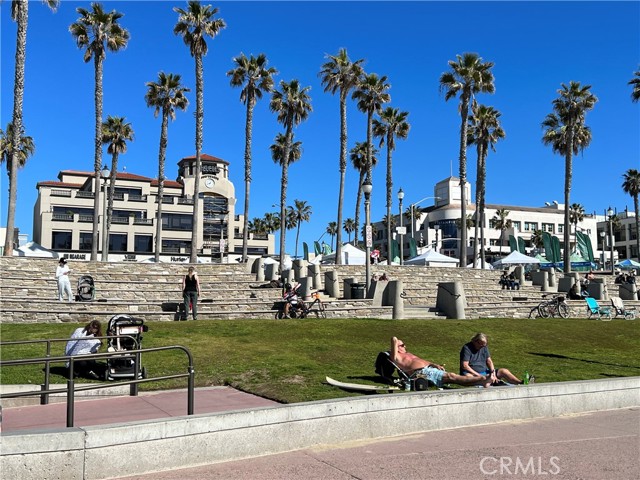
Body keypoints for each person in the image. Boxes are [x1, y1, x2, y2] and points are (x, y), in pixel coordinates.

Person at [390, 336, 487, 388]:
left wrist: (434, 365)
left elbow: (423, 361)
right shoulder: (397, 357)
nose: (405, 346)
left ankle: (480, 382)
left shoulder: (408, 354)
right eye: (402, 345)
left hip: (428, 370)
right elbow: (393, 339)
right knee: (451, 376)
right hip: (419, 373)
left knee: (452, 378)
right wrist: (396, 342)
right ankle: (482, 378)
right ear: (397, 347)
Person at [459, 333, 530, 387]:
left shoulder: (484, 347)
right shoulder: (467, 348)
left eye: (484, 345)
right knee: (469, 377)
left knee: (503, 371)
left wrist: (493, 373)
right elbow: (465, 366)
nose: (482, 347)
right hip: (472, 373)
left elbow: (489, 361)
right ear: (476, 342)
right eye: (481, 345)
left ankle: (520, 383)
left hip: (485, 372)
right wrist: (479, 375)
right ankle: (491, 382)